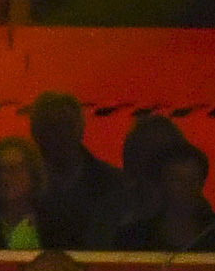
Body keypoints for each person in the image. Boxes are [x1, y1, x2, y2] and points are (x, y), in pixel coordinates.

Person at [26, 92, 135, 248]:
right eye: (51, 126)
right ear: (36, 132)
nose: (60, 133)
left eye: (67, 125)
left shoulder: (114, 183)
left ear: (81, 127)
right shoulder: (21, 184)